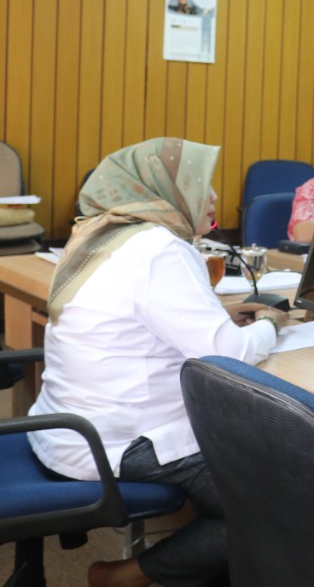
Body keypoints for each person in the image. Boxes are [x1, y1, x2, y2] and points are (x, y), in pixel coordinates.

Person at [28, 138, 288, 587]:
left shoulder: (102, 233)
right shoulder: (159, 248)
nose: (212, 196)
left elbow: (134, 317)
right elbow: (232, 354)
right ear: (162, 191)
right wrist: (271, 322)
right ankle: (126, 575)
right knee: (282, 511)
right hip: (119, 440)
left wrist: (217, 315)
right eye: (199, 183)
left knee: (246, 468)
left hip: (65, 426)